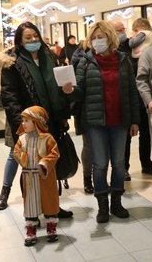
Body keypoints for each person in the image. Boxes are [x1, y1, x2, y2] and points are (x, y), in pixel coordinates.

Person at [63, 21, 140, 223]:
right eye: (94, 38)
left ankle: (116, 202)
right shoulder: (85, 62)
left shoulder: (123, 61)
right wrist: (71, 91)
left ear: (110, 37)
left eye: (101, 37)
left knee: (119, 163)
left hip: (120, 121)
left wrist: (134, 121)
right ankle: (102, 206)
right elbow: (80, 93)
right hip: (95, 121)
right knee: (99, 165)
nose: (97, 41)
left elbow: (132, 93)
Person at [0, 22, 73, 218]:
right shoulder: (12, 63)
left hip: (51, 122)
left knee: (50, 167)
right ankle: (32, 211)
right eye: (28, 38)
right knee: (30, 171)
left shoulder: (49, 57)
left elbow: (57, 88)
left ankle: (52, 207)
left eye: (35, 36)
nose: (33, 40)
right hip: (29, 125)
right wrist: (21, 127)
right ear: (20, 41)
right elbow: (10, 98)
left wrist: (64, 112)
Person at [112, 18, 152, 179]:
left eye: (123, 29)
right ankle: (124, 167)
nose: (123, 33)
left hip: (143, 95)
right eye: (119, 30)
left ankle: (147, 164)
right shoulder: (115, 50)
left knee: (146, 133)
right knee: (127, 135)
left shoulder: (137, 46)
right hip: (127, 98)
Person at [14, 106, 60, 246]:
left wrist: (44, 163)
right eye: (22, 120)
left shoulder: (47, 138)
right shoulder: (22, 139)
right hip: (29, 178)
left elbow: (54, 153)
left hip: (44, 176)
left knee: (49, 201)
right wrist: (21, 157)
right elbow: (16, 152)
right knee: (30, 204)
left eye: (27, 120)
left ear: (37, 122)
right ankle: (31, 228)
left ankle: (51, 226)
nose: (23, 123)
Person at [70, 40, 93, 194]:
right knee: (89, 146)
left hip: (106, 110)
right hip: (85, 110)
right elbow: (76, 89)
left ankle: (99, 178)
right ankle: (87, 178)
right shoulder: (80, 60)